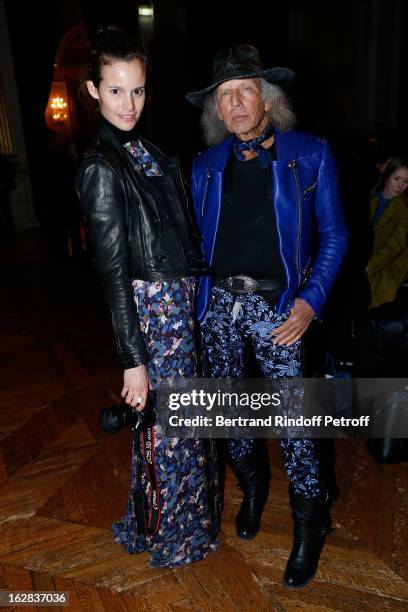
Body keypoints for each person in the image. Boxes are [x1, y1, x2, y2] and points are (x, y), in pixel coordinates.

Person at [186, 44, 348, 588]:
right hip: (220, 309)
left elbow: (336, 235)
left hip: (281, 309)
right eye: (224, 96)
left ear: (267, 99)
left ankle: (310, 527)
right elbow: (194, 244)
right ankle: (252, 489)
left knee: (297, 428)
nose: (235, 104)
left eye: (245, 91)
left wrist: (311, 300)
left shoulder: (310, 152)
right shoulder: (205, 165)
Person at [76, 25, 220, 568]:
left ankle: (162, 525)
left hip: (178, 312)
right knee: (169, 433)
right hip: (153, 319)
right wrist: (132, 361)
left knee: (181, 427)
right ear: (93, 90)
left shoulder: (146, 150)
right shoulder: (100, 165)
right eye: (114, 90)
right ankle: (174, 536)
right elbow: (112, 273)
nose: (128, 102)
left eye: (136, 89)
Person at [366, 157, 408, 308]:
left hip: (382, 269)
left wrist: (369, 266)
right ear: (387, 175)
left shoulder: (404, 210)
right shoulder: (370, 195)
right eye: (397, 178)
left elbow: (394, 246)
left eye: (406, 182)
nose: (401, 186)